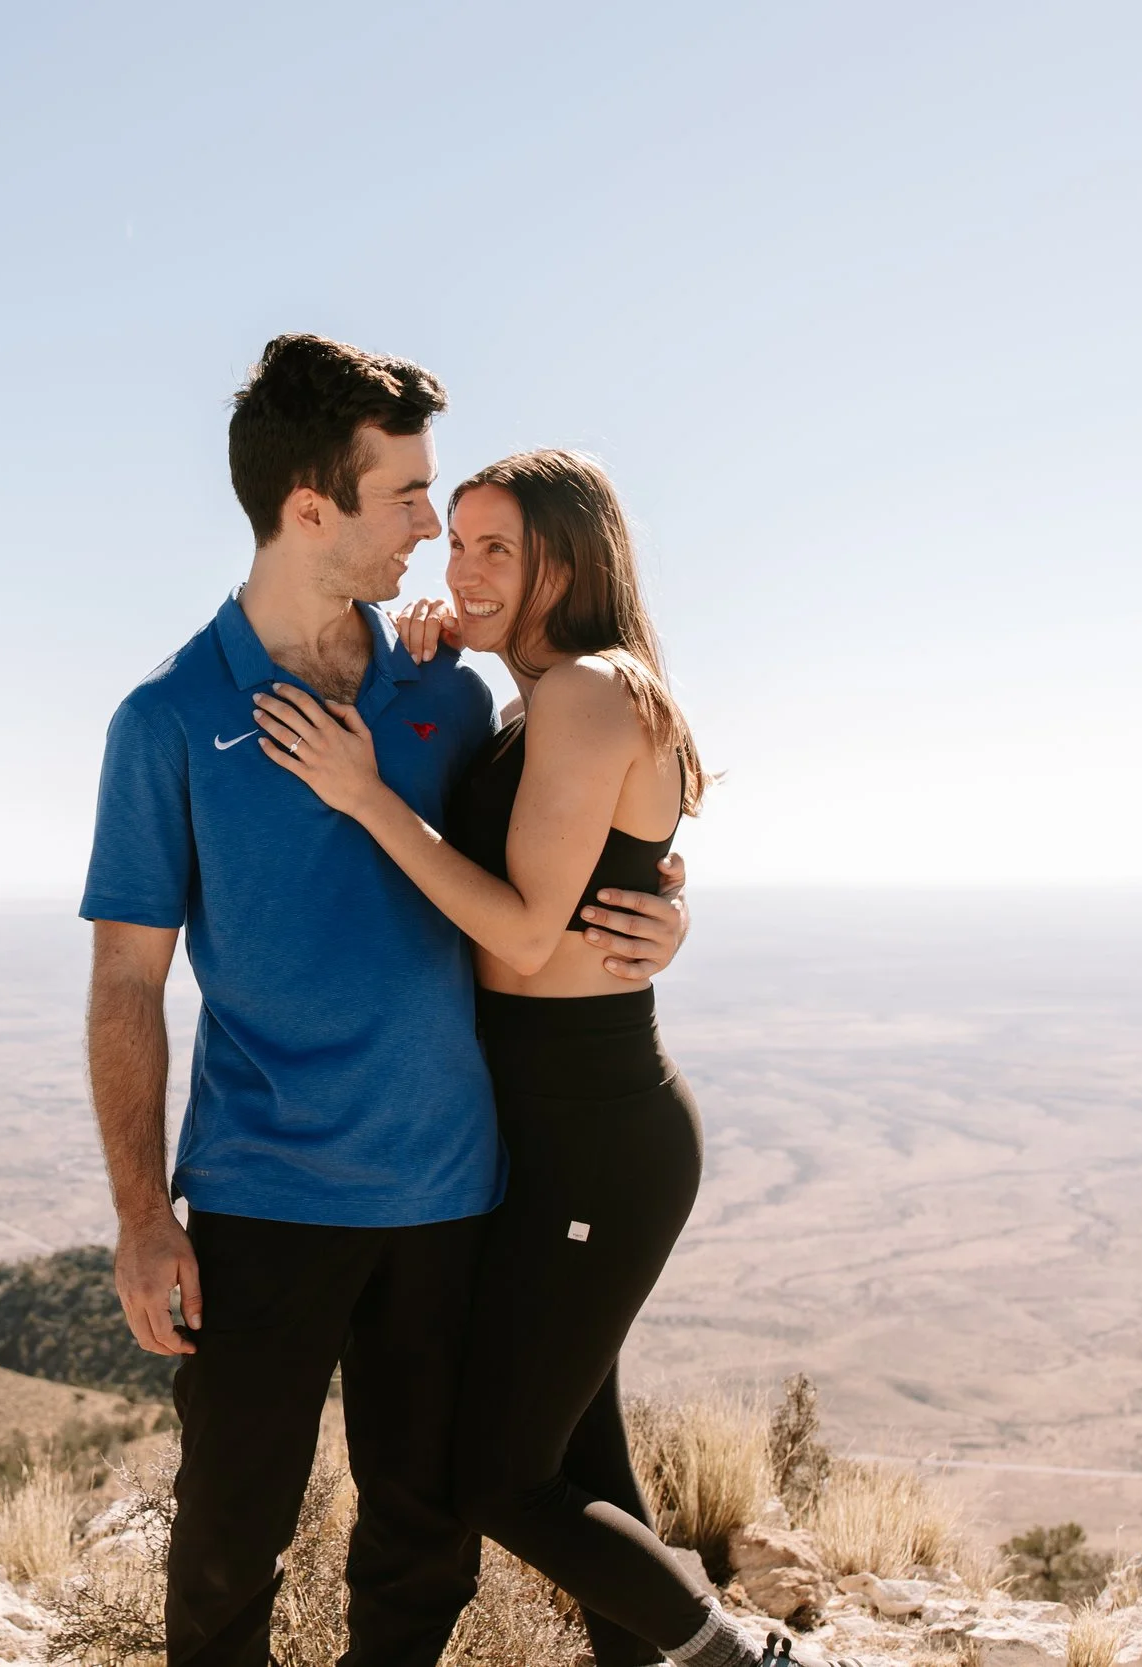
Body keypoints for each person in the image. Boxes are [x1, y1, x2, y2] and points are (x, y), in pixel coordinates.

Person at [80, 337, 690, 1667]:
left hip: (458, 1188)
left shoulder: (447, 691)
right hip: (260, 1197)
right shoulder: (169, 719)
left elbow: (562, 849)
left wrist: (663, 902)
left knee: (423, 1534)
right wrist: (139, 1211)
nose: (431, 523)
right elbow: (126, 975)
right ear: (311, 510)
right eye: (408, 496)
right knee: (232, 1533)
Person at [248, 447, 771, 1667]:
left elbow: (529, 929)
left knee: (500, 1476)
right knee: (584, 1464)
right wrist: (447, 651)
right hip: (537, 1128)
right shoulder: (546, 695)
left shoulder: (591, 689)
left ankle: (739, 1657)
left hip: (592, 1131)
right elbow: (593, 878)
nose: (461, 567)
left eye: (497, 548)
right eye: (456, 542)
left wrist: (365, 794)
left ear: (567, 561)